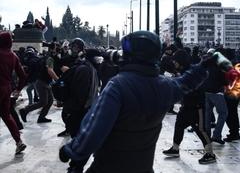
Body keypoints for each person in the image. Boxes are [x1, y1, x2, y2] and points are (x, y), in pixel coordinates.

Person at [59, 31, 217, 173]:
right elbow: (186, 82)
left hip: (109, 167)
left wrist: (71, 150)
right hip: (143, 167)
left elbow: (94, 129)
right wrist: (202, 67)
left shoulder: (117, 86)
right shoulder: (165, 86)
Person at [162, 49, 215, 164]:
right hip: (186, 106)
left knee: (200, 130)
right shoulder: (182, 71)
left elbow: (196, 88)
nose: (173, 63)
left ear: (180, 61)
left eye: (175, 61)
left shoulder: (192, 71)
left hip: (196, 106)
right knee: (179, 125)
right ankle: (175, 148)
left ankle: (210, 154)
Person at [61, 39, 100, 173]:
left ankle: (75, 165)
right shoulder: (85, 69)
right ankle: (75, 166)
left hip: (83, 111)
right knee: (81, 140)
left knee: (82, 140)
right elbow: (79, 94)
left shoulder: (91, 68)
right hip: (77, 112)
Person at [0, 31, 27, 154]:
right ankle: (19, 142)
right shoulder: (13, 56)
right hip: (7, 89)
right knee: (6, 116)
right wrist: (18, 89)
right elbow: (23, 76)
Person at [19, 43, 59, 123]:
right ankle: (24, 111)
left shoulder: (45, 57)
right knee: (43, 102)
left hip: (45, 82)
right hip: (42, 82)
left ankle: (42, 117)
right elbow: (50, 70)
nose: (58, 50)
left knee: (50, 101)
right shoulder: (50, 58)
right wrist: (58, 80)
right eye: (56, 48)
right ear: (53, 49)